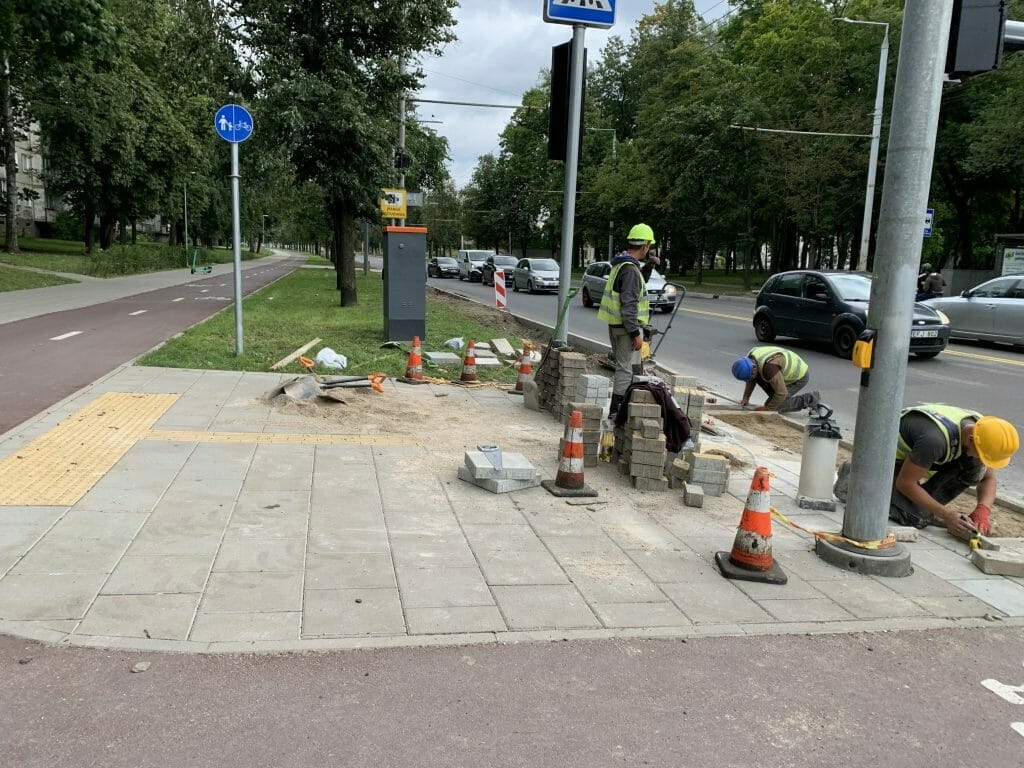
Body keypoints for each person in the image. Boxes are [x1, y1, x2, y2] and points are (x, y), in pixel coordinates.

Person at [833, 405, 1020, 537]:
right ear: (971, 439)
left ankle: (921, 506)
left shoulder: (980, 429)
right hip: (880, 462)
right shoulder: (934, 441)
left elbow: (988, 478)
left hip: (913, 460)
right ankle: (853, 478)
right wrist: (946, 515)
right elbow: (905, 483)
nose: (982, 459)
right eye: (982, 454)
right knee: (916, 518)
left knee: (975, 468)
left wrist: (983, 510)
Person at [598, 223, 659, 418]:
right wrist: (635, 333)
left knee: (626, 366)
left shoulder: (622, 264)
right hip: (626, 328)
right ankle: (616, 412)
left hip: (615, 325)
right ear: (645, 246)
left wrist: (648, 266)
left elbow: (635, 285)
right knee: (625, 369)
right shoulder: (630, 270)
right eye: (649, 246)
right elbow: (629, 304)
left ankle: (623, 408)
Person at [731, 346, 819, 413]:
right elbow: (752, 379)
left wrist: (767, 410)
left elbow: (782, 393)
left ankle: (811, 398)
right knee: (759, 381)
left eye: (750, 376)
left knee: (778, 406)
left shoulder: (770, 369)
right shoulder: (751, 358)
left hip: (799, 376)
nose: (750, 379)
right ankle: (777, 400)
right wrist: (746, 397)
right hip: (778, 370)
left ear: (754, 368)